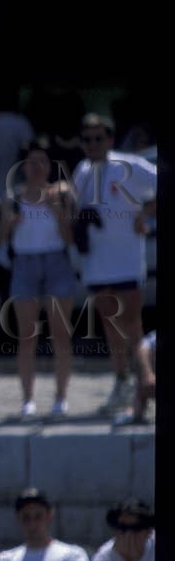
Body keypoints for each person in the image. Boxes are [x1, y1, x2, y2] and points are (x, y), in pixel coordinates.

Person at [71, 115, 157, 418]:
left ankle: (142, 382)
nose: (92, 145)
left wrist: (143, 214)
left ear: (109, 140)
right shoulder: (81, 171)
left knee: (132, 324)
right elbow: (78, 207)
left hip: (127, 258)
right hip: (97, 259)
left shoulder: (127, 165)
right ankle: (121, 379)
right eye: (87, 139)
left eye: (98, 138)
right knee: (109, 324)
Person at [0, 138, 77, 419]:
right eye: (31, 162)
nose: (36, 168)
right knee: (27, 336)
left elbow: (69, 238)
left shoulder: (60, 194)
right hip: (25, 264)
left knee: (60, 334)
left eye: (42, 162)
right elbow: (0, 238)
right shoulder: (14, 197)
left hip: (55, 261)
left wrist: (56, 209)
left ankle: (60, 397)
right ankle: (28, 399)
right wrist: (9, 223)